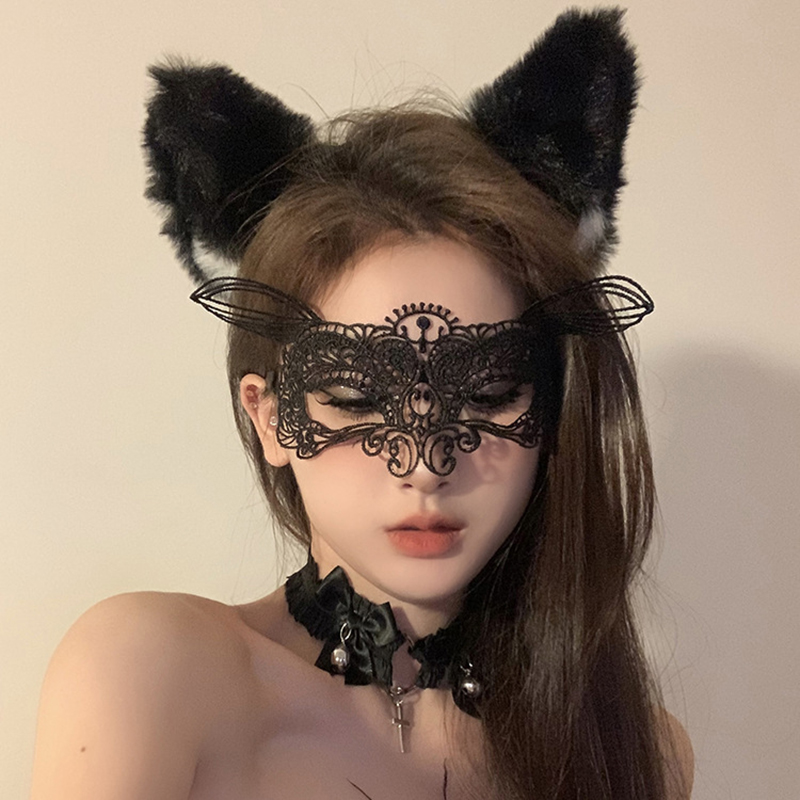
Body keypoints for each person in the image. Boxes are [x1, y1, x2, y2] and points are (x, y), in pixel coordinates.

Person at [30, 8, 693, 800]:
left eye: (488, 391)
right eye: (352, 396)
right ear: (268, 416)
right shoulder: (155, 676)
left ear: (551, 413)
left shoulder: (638, 750)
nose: (425, 465)